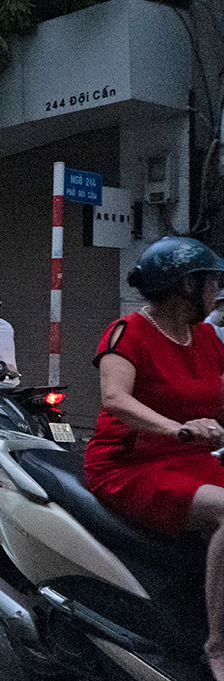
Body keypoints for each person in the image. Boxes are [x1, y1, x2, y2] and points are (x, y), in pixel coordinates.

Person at [82, 236, 224, 679]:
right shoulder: (128, 331)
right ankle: (217, 645)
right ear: (186, 285)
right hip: (130, 464)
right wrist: (177, 428)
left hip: (190, 458)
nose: (217, 289)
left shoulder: (203, 336)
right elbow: (115, 399)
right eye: (210, 281)